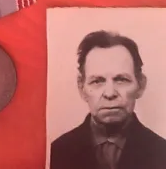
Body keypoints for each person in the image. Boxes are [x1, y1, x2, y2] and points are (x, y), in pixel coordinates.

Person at [50, 31, 166, 169]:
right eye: (97, 81)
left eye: (121, 80)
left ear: (140, 85)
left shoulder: (161, 151)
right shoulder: (57, 151)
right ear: (81, 87)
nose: (110, 93)